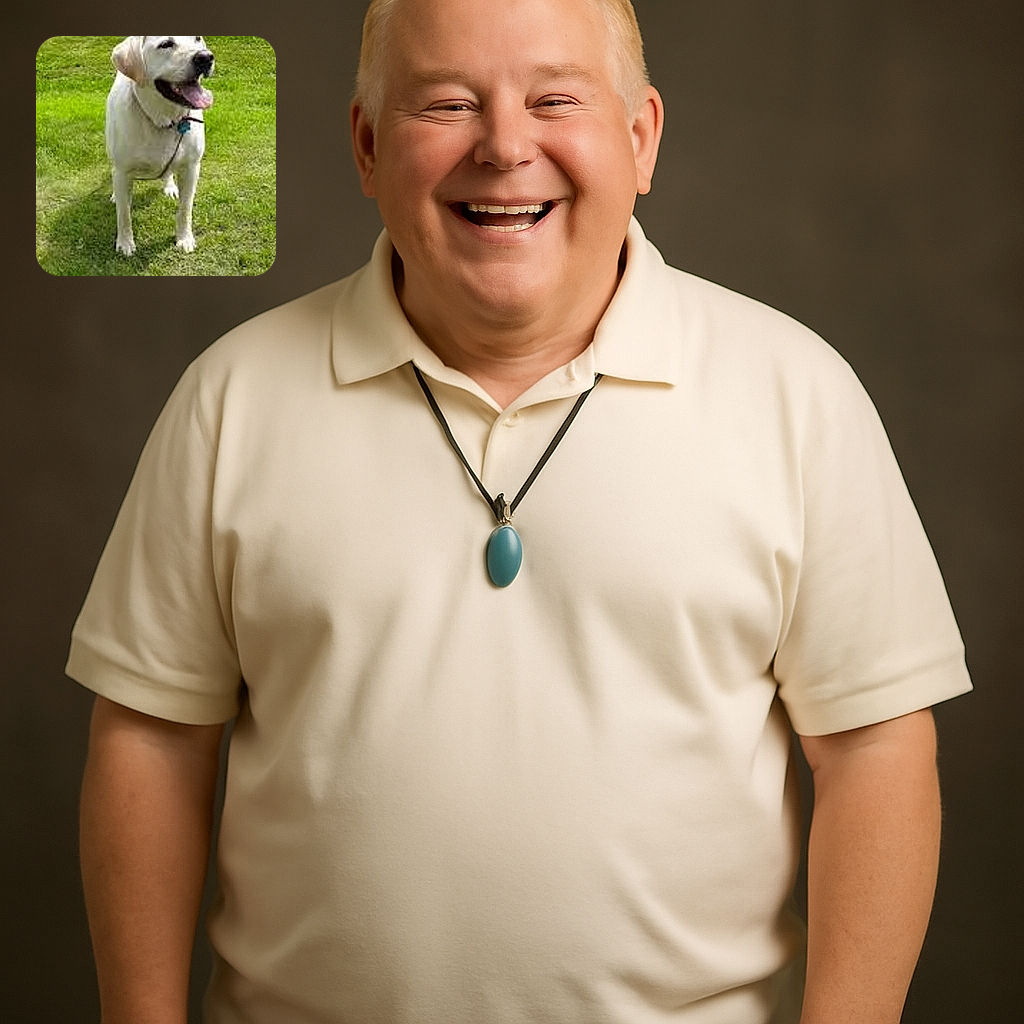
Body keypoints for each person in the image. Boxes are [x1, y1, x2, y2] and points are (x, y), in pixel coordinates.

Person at [68, 1, 972, 1021]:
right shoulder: (230, 399)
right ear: (366, 146)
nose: (503, 147)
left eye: (555, 100)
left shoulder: (797, 395)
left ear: (641, 137)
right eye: (446, 103)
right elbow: (151, 741)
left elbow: (874, 749)